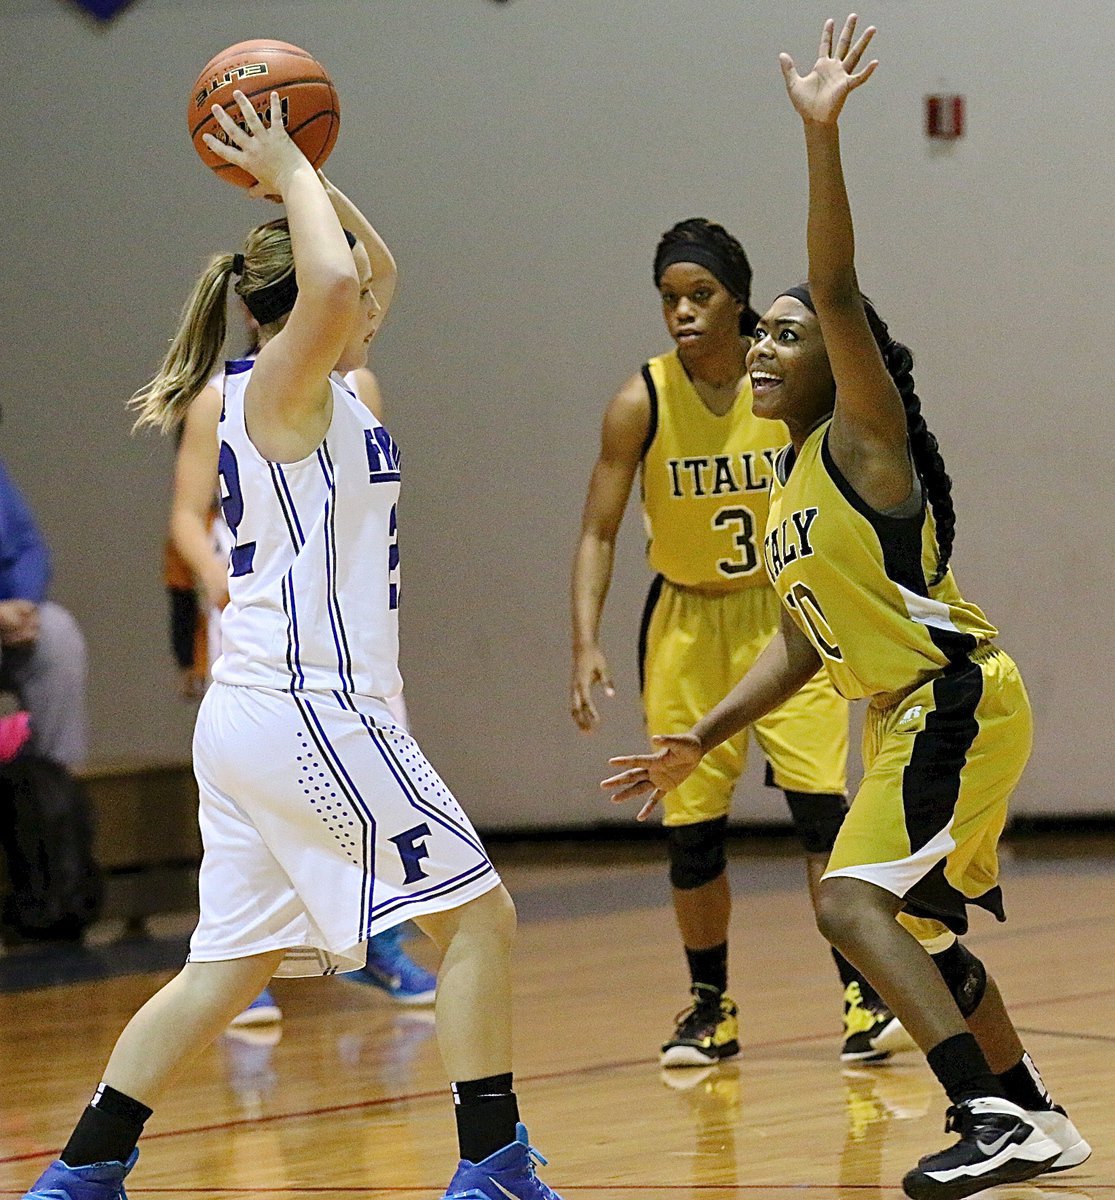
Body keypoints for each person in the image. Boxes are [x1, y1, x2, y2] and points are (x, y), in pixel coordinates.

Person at [21, 91, 561, 1200]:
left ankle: (81, 1173)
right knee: (481, 920)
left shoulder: (334, 379)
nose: (371, 294)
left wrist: (300, 174)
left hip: (258, 719)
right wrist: (289, 172)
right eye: (350, 289)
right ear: (315, 307)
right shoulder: (276, 391)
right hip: (309, 708)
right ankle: (491, 1168)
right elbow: (333, 281)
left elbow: (372, 269)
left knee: (223, 970)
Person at [602, 17, 1089, 1198]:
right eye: (757, 337)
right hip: (907, 715)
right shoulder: (785, 494)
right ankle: (1033, 1116)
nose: (762, 349)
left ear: (841, 362)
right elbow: (797, 647)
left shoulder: (864, 446)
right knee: (911, 926)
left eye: (782, 336)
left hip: (955, 699)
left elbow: (831, 281)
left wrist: (819, 139)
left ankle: (983, 1114)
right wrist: (697, 741)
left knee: (848, 905)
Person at [571, 217, 911, 1067]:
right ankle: (708, 1006)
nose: (682, 313)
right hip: (684, 620)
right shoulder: (640, 398)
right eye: (668, 299)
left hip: (781, 616)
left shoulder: (781, 377)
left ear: (736, 299)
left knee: (819, 816)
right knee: (689, 826)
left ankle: (861, 997)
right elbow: (598, 532)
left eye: (700, 295)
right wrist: (584, 642)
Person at [168, 334, 435, 1021]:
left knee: (379, 784)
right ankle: (242, 962)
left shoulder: (358, 385)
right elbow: (186, 517)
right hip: (260, 617)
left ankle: (378, 941)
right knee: (255, 791)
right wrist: (221, 586)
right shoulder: (220, 396)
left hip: (346, 627)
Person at [0, 457, 87, 771]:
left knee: (57, 632)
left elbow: (28, 546)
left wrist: (24, 606)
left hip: (8, 617)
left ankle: (55, 788)